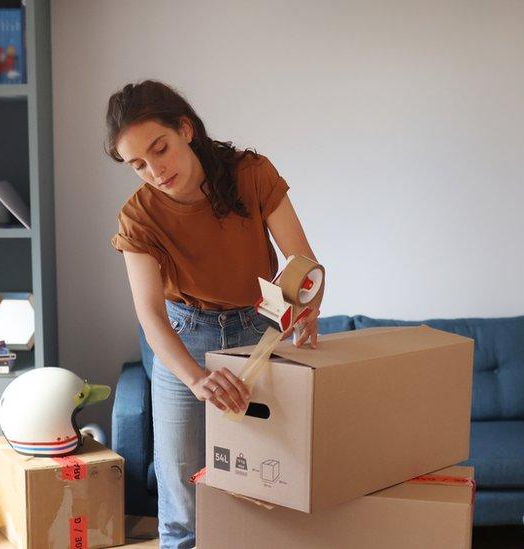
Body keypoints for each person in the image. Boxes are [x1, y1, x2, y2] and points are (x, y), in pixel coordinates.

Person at [106, 80, 321, 549]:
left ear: (186, 129)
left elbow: (300, 262)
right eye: (137, 164)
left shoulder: (251, 173)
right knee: (182, 497)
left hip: (259, 327)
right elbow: (150, 314)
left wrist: (308, 301)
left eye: (159, 149)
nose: (154, 170)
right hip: (187, 337)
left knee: (271, 478)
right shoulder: (138, 217)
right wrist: (195, 379)